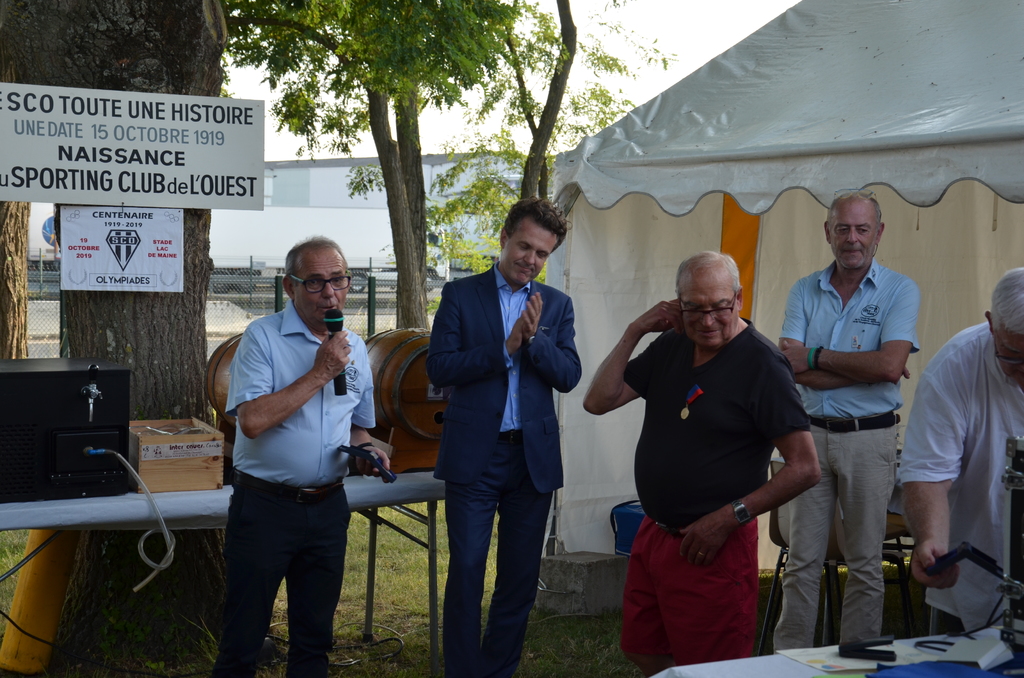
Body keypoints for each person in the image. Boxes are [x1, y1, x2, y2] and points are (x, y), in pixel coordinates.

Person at [583, 251, 819, 675]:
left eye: (719, 307)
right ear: (677, 304)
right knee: (642, 648)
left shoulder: (763, 365)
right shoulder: (673, 343)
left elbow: (805, 467)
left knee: (714, 668)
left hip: (714, 546)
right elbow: (598, 401)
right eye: (694, 308)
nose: (707, 321)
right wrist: (635, 330)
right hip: (656, 533)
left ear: (738, 299)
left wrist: (730, 517)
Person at [212, 236, 391, 677]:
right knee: (243, 640)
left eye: (338, 280)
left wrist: (368, 451)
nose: (329, 293)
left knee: (314, 641)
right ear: (289, 287)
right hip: (265, 507)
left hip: (328, 507)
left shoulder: (354, 347)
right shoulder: (263, 337)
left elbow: (357, 425)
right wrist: (320, 372)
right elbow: (252, 420)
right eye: (315, 282)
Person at [426, 197, 582, 678]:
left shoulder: (556, 304)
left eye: (542, 253)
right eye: (524, 247)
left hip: (532, 461)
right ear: (504, 238)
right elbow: (439, 368)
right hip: (476, 456)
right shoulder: (460, 294)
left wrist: (534, 341)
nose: (531, 259)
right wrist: (505, 347)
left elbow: (569, 376)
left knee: (518, 578)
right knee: (467, 570)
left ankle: (498, 670)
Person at [773, 189, 920, 650]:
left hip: (870, 439)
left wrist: (815, 356)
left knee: (865, 564)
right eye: (843, 229)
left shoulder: (900, 289)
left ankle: (858, 666)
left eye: (861, 229)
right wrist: (867, 368)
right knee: (801, 561)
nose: (852, 238)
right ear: (828, 233)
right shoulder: (804, 289)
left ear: (878, 233)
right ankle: (789, 664)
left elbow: (888, 368)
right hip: (809, 438)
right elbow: (787, 367)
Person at [900, 268, 1024, 631]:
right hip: (980, 570)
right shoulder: (954, 368)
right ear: (991, 324)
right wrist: (931, 540)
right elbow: (928, 474)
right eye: (1014, 356)